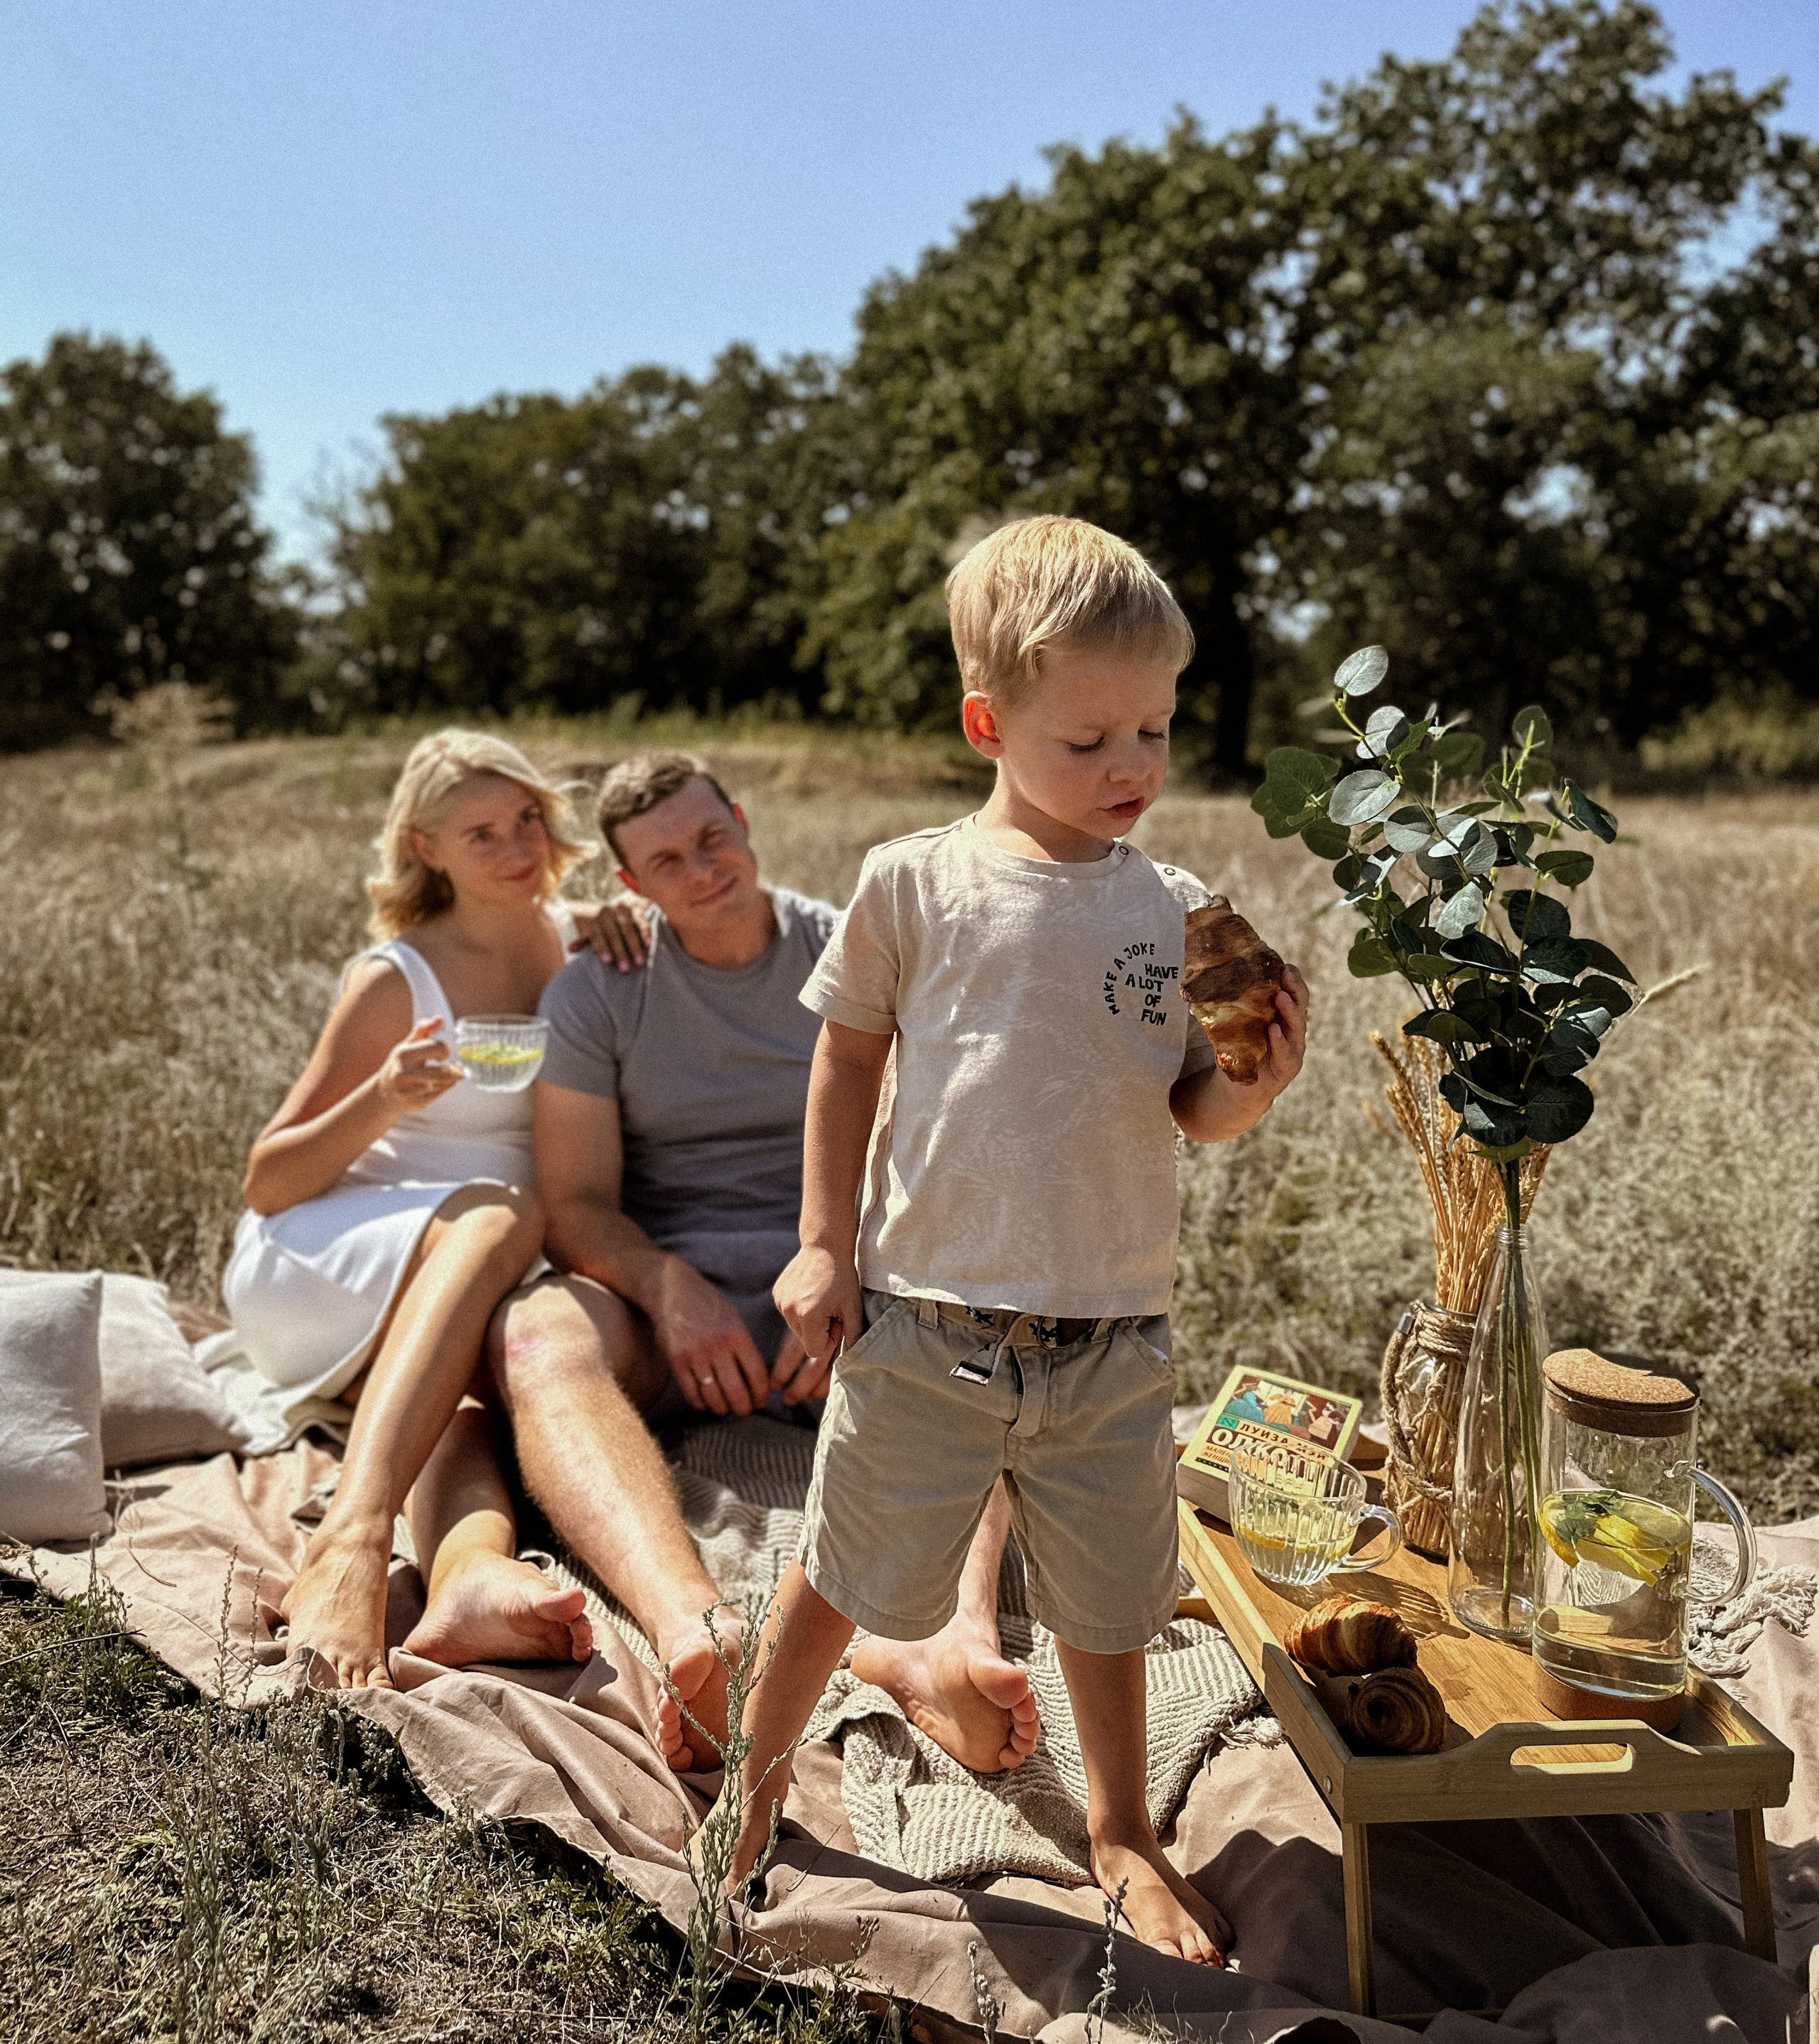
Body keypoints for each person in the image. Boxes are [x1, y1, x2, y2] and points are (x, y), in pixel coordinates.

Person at [714, 517, 1309, 1964]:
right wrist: (820, 1244)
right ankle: (745, 1779)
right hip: (928, 1316)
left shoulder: (1174, 912)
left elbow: (1191, 1111)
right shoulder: (914, 881)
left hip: (1111, 1330)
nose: (1132, 768)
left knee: (1110, 1601)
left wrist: (1253, 1078)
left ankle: (1118, 1833)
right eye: (1088, 738)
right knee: (840, 1569)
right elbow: (846, 1060)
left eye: (1155, 732)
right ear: (989, 723)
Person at [486, 750, 1040, 1777]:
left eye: (713, 836)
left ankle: (951, 1639)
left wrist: (851, 1278)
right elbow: (574, 1204)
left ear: (742, 818)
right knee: (535, 1330)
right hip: (674, 1300)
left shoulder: (854, 943)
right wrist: (664, 1284)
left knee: (987, 1332)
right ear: (630, 885)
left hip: (853, 1267)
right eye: (668, 859)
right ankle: (695, 1628)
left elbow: (939, 1148)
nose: (705, 867)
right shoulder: (598, 989)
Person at [225, 728, 647, 1688]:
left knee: (474, 1389)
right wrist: (381, 1095)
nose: (518, 848)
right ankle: (353, 1536)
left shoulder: (582, 939)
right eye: (483, 832)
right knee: (501, 1212)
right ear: (427, 846)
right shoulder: (396, 977)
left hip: (463, 1270)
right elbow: (267, 1181)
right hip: (326, 1256)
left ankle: (468, 1576)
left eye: (528, 819)